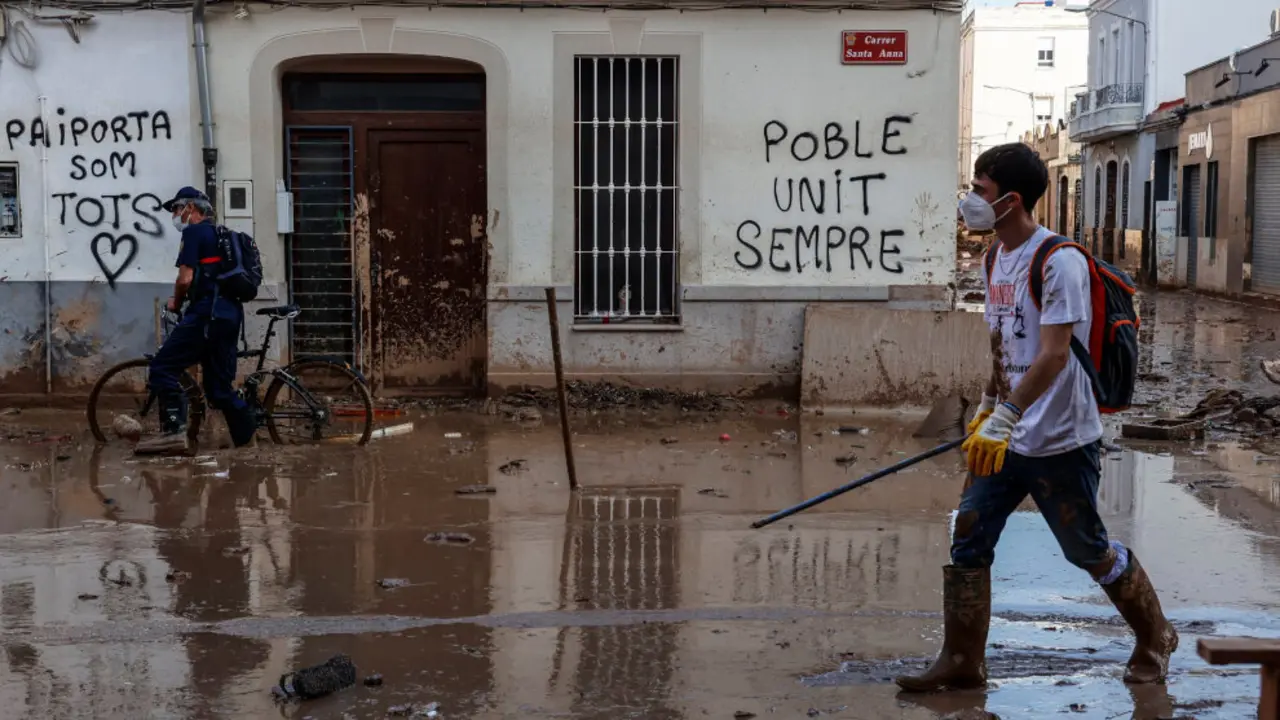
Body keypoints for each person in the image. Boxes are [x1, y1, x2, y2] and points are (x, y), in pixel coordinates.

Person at [895, 143, 1178, 692]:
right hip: (1005, 434)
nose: (969, 201)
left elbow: (1052, 352)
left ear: (1011, 199)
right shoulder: (994, 258)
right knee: (969, 536)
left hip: (1060, 438)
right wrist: (985, 408)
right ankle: (962, 660)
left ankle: (1155, 634)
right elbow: (1003, 343)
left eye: (979, 190)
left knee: (1086, 550)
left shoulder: (1059, 261)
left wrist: (1008, 414)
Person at [135, 187, 256, 454]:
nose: (175, 215)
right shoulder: (220, 235)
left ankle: (173, 434)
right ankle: (248, 442)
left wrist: (175, 303)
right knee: (219, 390)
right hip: (229, 315)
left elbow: (185, 278)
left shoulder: (193, 232)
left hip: (206, 315)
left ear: (191, 208)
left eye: (176, 209)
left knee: (163, 367)